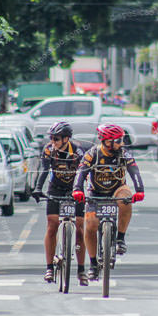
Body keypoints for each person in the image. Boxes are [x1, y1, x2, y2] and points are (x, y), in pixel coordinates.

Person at [72, 123, 144, 280]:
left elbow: (134, 171)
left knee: (126, 197)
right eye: (118, 140)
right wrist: (77, 189)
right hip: (96, 192)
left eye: (122, 140)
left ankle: (120, 239)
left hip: (117, 188)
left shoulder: (123, 153)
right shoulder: (93, 154)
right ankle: (92, 264)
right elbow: (81, 172)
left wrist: (140, 190)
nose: (121, 143)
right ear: (106, 141)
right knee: (90, 224)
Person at [31, 122, 88, 285]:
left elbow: (85, 173)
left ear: (66, 139)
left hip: (74, 189)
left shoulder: (77, 151)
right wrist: (37, 188)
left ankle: (81, 270)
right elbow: (44, 170)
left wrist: (86, 191)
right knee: (52, 225)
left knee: (79, 228)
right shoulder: (49, 150)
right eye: (51, 138)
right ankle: (49, 267)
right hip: (55, 189)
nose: (52, 141)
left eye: (56, 138)